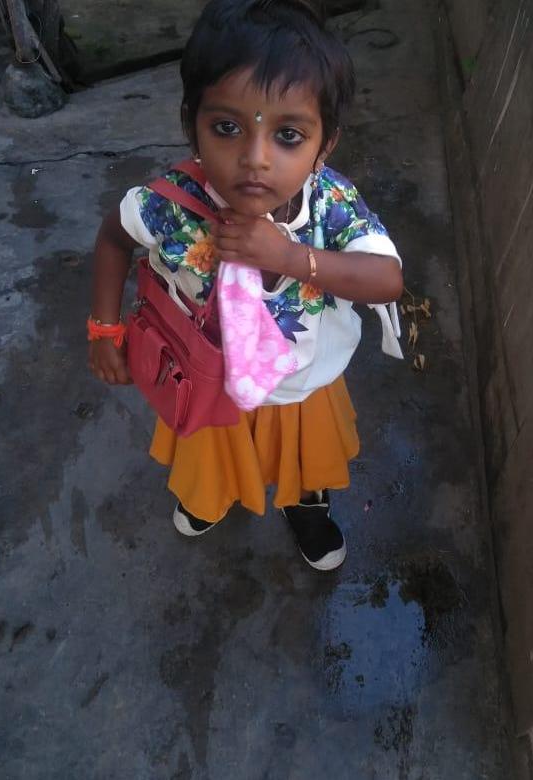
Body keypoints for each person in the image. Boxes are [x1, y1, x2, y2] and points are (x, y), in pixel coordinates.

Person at [88, 0, 403, 571]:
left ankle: (305, 508)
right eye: (228, 128)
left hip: (303, 387)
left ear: (325, 144)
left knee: (304, 465)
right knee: (210, 460)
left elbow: (387, 280)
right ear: (192, 125)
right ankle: (210, 496)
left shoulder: (330, 205)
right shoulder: (170, 205)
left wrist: (293, 257)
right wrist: (105, 328)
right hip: (209, 385)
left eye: (289, 134)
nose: (255, 159)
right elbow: (113, 238)